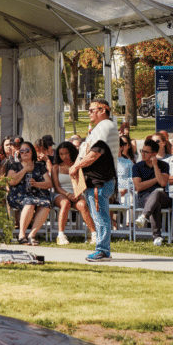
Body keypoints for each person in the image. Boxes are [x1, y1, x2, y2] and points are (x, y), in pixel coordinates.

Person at [71, 99, 118, 261]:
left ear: (103, 110)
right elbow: (86, 151)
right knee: (99, 216)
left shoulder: (106, 126)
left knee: (101, 217)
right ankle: (102, 249)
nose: (89, 113)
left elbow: (94, 153)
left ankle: (103, 250)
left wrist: (76, 167)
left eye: (92, 110)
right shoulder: (100, 128)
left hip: (101, 180)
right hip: (96, 180)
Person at [6, 140, 52, 246]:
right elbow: (11, 182)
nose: (24, 153)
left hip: (38, 194)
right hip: (18, 195)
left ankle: (32, 235)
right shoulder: (14, 166)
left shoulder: (40, 166)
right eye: (21, 151)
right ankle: (21, 235)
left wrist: (36, 184)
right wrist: (25, 170)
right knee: (29, 202)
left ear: (32, 152)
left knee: (46, 204)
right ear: (19, 154)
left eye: (27, 150)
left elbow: (49, 183)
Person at [132, 137, 170, 246]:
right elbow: (138, 187)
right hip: (144, 197)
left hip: (163, 197)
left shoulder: (163, 165)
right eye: (142, 151)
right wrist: (155, 180)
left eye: (146, 152)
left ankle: (144, 216)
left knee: (157, 193)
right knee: (155, 203)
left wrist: (155, 166)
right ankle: (157, 237)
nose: (142, 154)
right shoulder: (137, 167)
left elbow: (163, 183)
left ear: (154, 154)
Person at [50, 141, 90, 245]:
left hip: (77, 193)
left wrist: (76, 195)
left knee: (82, 205)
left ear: (71, 152)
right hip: (61, 194)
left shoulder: (78, 166)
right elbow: (57, 187)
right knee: (65, 203)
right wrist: (68, 195)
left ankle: (93, 234)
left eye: (66, 153)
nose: (64, 156)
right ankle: (61, 235)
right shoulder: (55, 167)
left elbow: (81, 184)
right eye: (61, 154)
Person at [116, 136, 136, 218]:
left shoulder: (128, 162)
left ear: (121, 147)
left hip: (125, 191)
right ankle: (113, 225)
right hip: (111, 191)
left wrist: (125, 189)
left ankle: (129, 226)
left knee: (129, 199)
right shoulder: (107, 162)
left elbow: (132, 179)